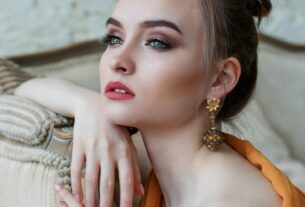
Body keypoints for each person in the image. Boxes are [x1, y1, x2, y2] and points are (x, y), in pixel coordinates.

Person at [14, 0, 305, 206]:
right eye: (114, 38)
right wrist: (86, 105)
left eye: (157, 42)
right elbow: (15, 87)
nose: (117, 60)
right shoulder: (153, 160)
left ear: (220, 78)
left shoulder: (228, 199)